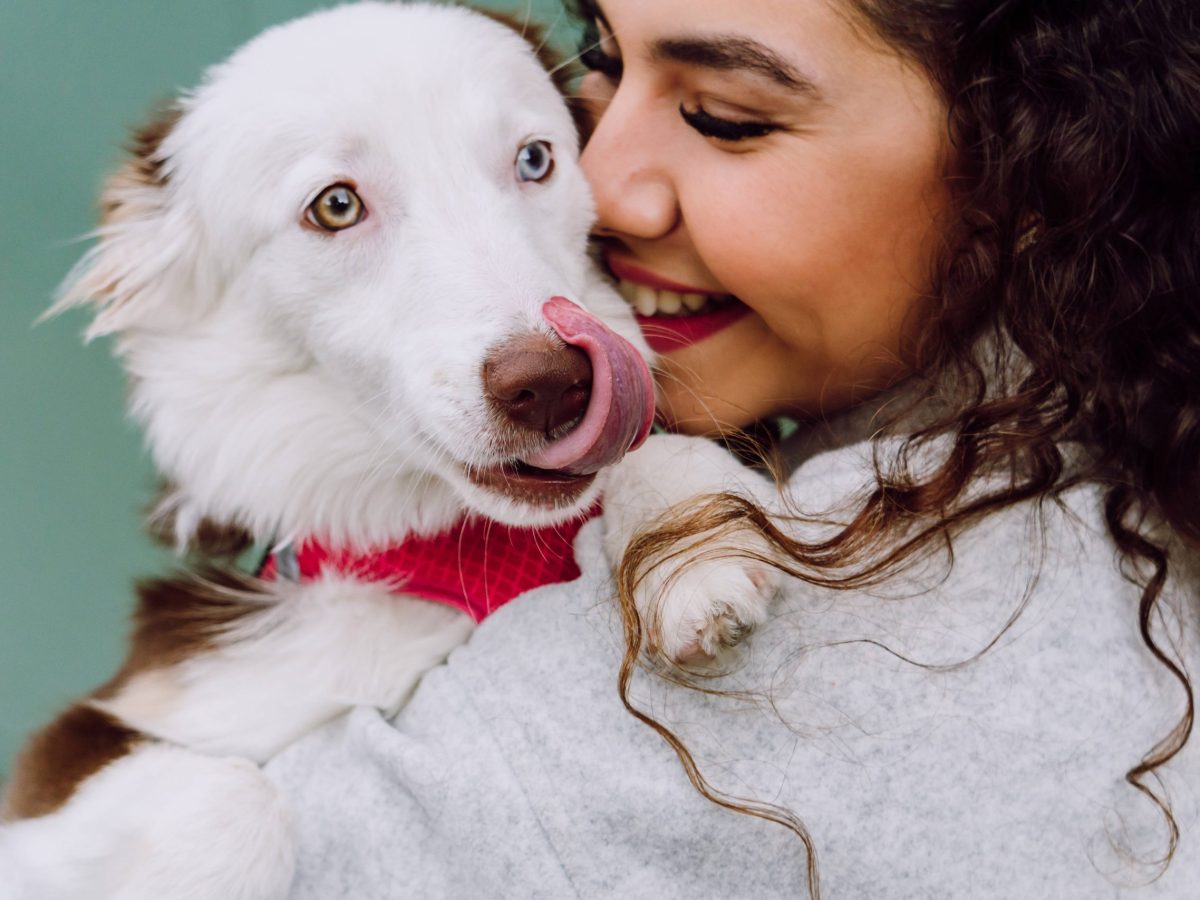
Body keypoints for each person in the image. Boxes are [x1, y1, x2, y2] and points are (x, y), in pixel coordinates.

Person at [265, 0, 1199, 896]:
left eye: (724, 117)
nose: (598, 187)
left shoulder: (778, 664)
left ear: (1038, 170)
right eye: (600, 58)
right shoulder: (1136, 442)